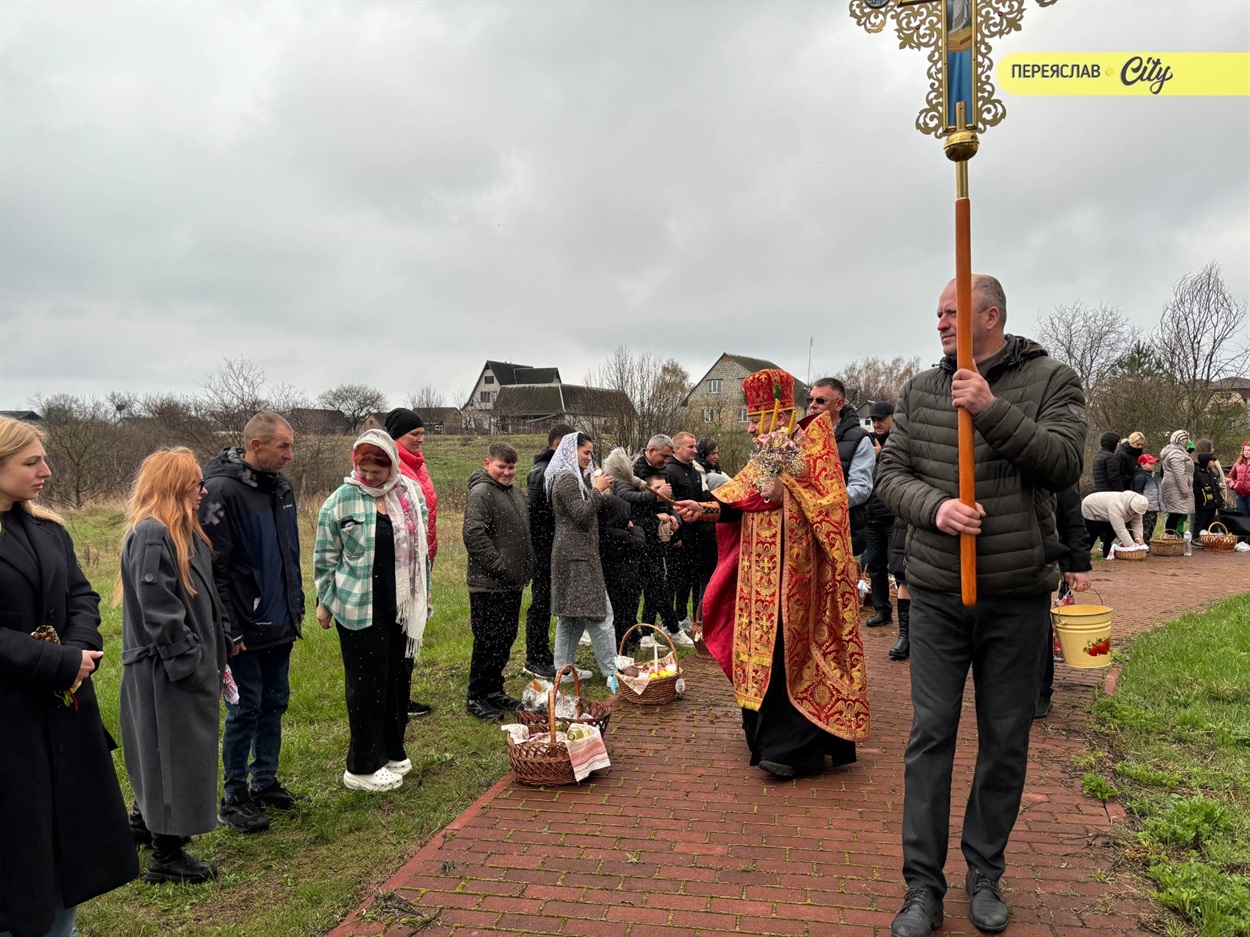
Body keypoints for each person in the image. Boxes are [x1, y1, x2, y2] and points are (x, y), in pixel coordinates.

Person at [875, 274, 1086, 937]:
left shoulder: (1052, 378)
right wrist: (935, 508)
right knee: (930, 735)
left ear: (989, 316)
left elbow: (1062, 462)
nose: (939, 323)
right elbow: (888, 477)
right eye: (936, 313)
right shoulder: (919, 389)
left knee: (1005, 740)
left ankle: (985, 873)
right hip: (938, 592)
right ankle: (921, 888)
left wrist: (991, 407)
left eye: (951, 313)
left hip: (1016, 593)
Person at [675, 368, 870, 779]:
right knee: (762, 652)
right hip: (759, 576)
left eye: (754, 417)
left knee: (790, 653)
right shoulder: (766, 452)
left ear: (778, 414)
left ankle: (793, 748)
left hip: (798, 579)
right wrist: (702, 511)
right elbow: (739, 499)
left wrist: (789, 492)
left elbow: (833, 504)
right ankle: (766, 739)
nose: (748, 427)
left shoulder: (815, 442)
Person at [0, 417, 138, 937]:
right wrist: (57, 662)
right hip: (11, 724)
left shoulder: (48, 530)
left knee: (66, 850)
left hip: (63, 717)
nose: (47, 472)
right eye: (31, 462)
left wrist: (79, 650)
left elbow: (83, 596)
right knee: (19, 856)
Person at [118, 448, 228, 884]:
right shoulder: (152, 533)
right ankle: (167, 855)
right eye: (194, 483)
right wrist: (189, 660)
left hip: (182, 668)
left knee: (167, 753)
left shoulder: (184, 532)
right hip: (165, 671)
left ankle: (143, 827)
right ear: (172, 486)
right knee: (169, 756)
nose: (203, 491)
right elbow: (157, 605)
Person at [200, 412, 306, 833]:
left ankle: (265, 781)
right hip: (244, 626)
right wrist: (230, 628)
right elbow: (216, 567)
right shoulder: (221, 490)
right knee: (245, 708)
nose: (290, 454)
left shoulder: (281, 486)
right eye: (283, 446)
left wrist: (295, 604)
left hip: (281, 619)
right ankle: (234, 795)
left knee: (275, 702)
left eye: (291, 445)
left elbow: (289, 552)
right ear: (255, 445)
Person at [315, 431, 429, 791]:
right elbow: (325, 557)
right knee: (367, 684)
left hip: (400, 606)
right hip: (358, 606)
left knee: (397, 678)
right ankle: (362, 766)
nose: (368, 477)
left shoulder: (408, 494)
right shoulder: (340, 501)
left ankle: (392, 751)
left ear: (391, 467)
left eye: (376, 471)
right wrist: (324, 601)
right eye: (362, 469)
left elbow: (421, 547)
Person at [461, 442, 533, 720]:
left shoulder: (514, 492)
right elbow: (473, 535)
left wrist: (527, 566)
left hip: (512, 583)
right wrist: (500, 567)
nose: (506, 472)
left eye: (511, 467)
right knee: (488, 640)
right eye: (501, 466)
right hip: (488, 584)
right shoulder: (481, 492)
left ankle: (493, 689)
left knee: (505, 638)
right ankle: (476, 696)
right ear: (487, 463)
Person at [547, 432, 617, 682]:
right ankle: (612, 672)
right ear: (570, 451)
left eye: (591, 453)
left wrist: (596, 489)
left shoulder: (575, 477)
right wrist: (597, 491)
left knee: (572, 617)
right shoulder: (566, 479)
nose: (590, 458)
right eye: (585, 452)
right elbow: (581, 515)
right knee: (599, 613)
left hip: (576, 555)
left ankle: (563, 671)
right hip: (575, 558)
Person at [384, 407, 438, 717]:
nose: (420, 439)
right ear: (396, 437)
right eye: (413, 435)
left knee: (413, 628)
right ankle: (396, 700)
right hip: (403, 561)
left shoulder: (419, 465)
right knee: (401, 629)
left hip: (423, 557)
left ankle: (402, 696)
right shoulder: (394, 467)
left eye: (421, 434)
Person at [1034, 486, 1092, 720]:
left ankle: (1040, 691)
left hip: (1040, 558)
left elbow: (1070, 516)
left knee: (1037, 626)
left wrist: (1076, 564)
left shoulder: (1054, 461)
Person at [522, 424, 574, 680]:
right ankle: (534, 657)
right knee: (541, 603)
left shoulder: (557, 470)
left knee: (549, 602)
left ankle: (544, 651)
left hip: (555, 546)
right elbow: (536, 515)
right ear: (557, 445)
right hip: (544, 548)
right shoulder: (541, 472)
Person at [806, 377, 875, 553]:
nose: (813, 405)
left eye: (820, 400)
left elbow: (861, 489)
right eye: (810, 399)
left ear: (839, 404)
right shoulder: (801, 435)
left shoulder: (859, 438)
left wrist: (822, 503)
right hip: (805, 529)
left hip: (841, 531)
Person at [663, 432, 710, 646]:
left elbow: (699, 500)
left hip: (696, 535)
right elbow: (669, 503)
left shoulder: (694, 471)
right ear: (678, 449)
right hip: (679, 534)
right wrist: (676, 535)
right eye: (690, 446)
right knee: (677, 579)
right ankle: (674, 618)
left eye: (695, 446)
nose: (695, 450)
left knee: (690, 578)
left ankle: (684, 616)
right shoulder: (670, 471)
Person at [595, 460, 645, 657]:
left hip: (611, 576)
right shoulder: (623, 534)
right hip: (624, 577)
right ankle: (620, 646)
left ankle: (619, 644)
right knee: (623, 613)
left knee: (616, 613)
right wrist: (635, 529)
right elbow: (639, 542)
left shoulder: (603, 532)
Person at [633, 435, 679, 637]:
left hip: (660, 536)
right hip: (640, 536)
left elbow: (669, 499)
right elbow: (630, 506)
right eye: (664, 456)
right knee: (653, 585)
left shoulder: (663, 471)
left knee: (656, 586)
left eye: (669, 457)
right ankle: (671, 628)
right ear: (651, 451)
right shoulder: (633, 469)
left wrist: (674, 515)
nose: (666, 461)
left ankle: (647, 632)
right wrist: (654, 517)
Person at [862, 400, 897, 628]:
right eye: (873, 420)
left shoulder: (900, 441)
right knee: (874, 565)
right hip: (872, 516)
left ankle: (909, 618)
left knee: (899, 567)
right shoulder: (868, 442)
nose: (876, 424)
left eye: (881, 420)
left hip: (894, 516)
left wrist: (880, 455)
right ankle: (882, 610)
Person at [1080, 490, 1147, 558]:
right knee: (1093, 532)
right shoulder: (1116, 505)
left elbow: (1137, 524)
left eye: (1137, 512)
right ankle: (1083, 554)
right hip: (1090, 507)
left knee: (1111, 533)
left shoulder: (1138, 509)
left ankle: (1107, 554)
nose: (1135, 514)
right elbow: (1120, 529)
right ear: (1130, 505)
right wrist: (1132, 546)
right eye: (1134, 511)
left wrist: (1139, 539)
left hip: (1106, 511)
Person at [1159, 430, 1194, 536]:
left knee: (1176, 514)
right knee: (1175, 514)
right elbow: (1179, 472)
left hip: (1175, 485)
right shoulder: (1176, 452)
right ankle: (1170, 539)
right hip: (1176, 487)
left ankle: (1171, 538)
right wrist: (1184, 489)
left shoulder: (1176, 451)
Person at [1131, 453, 1163, 541]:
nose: (1153, 465)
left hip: (1153, 508)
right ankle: (1141, 543)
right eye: (1150, 463)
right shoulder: (1140, 477)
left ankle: (1147, 542)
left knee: (1151, 527)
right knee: (1144, 527)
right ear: (1142, 464)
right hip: (1146, 509)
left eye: (1153, 463)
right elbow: (1137, 493)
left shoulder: (1152, 476)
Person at [1192, 452, 1222, 538]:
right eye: (1212, 461)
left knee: (1210, 523)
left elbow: (1214, 486)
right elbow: (1196, 489)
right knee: (1200, 522)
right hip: (1203, 504)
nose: (1214, 463)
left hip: (1213, 504)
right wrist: (1202, 500)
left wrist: (1219, 487)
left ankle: (1207, 540)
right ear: (1206, 461)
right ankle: (1196, 538)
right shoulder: (1197, 473)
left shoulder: (1211, 473)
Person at [1228, 441, 1250, 517]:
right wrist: (1234, 485)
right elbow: (1230, 477)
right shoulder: (1238, 464)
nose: (1246, 452)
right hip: (1240, 495)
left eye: (1249, 450)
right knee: (1242, 517)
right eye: (1245, 450)